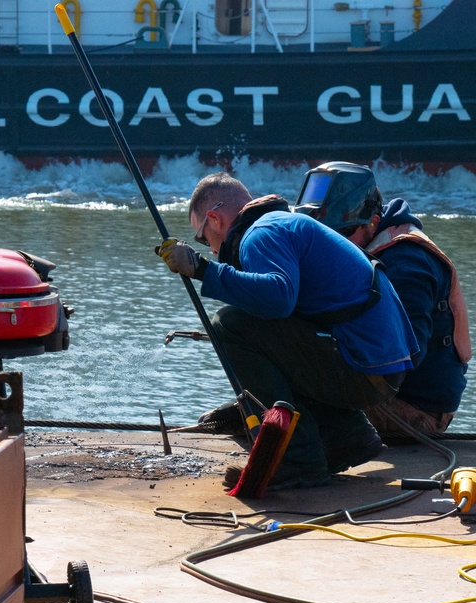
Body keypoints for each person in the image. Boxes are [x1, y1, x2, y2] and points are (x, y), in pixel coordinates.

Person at [157, 172, 418, 489]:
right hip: (376, 367)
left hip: (364, 369)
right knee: (255, 323)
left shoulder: (261, 233)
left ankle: (296, 458)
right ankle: (347, 437)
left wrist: (203, 269)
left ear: (214, 218)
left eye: (203, 238)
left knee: (229, 324)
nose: (211, 249)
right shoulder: (282, 223)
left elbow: (277, 298)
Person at [293, 162, 471, 435]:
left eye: (336, 235)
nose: (328, 245)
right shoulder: (369, 247)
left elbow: (406, 356)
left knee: (294, 394)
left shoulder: (406, 262)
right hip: (389, 395)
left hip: (414, 410)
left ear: (372, 223)